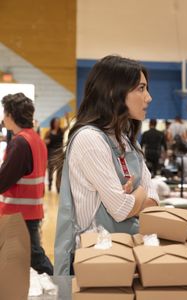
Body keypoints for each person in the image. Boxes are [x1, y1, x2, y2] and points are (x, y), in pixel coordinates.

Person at [53, 55, 160, 275]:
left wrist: (133, 198)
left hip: (122, 253)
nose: (148, 97)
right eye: (140, 88)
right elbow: (122, 209)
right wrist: (139, 193)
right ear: (113, 92)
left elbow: (155, 200)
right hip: (94, 259)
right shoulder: (90, 139)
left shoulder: (127, 141)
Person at [0, 93, 53, 275]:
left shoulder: (20, 143)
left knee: (34, 258)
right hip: (29, 211)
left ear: (11, 115)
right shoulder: (35, 139)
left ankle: (60, 288)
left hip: (18, 213)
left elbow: (4, 179)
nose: (3, 118)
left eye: (5, 113)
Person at [44, 113, 70, 191]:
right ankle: (49, 185)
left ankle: (58, 187)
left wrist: (67, 119)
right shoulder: (48, 132)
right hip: (51, 154)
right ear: (53, 123)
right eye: (56, 122)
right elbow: (44, 142)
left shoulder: (61, 131)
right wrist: (46, 141)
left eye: (58, 122)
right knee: (50, 171)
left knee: (59, 172)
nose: (57, 124)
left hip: (59, 154)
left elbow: (68, 126)